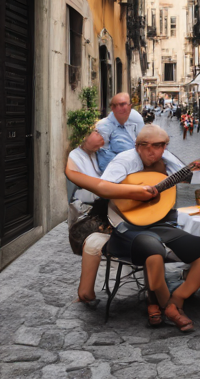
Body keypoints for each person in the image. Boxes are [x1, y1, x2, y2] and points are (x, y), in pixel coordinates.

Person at [101, 125, 200, 331]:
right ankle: (168, 309)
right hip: (127, 224)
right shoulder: (125, 161)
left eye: (158, 146)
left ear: (165, 147)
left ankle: (176, 299)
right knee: (154, 253)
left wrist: (190, 172)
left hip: (158, 222)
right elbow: (104, 187)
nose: (151, 151)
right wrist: (137, 192)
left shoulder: (169, 161)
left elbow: (179, 186)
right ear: (137, 146)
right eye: (145, 146)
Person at [65, 128, 157, 305]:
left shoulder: (101, 153)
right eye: (96, 133)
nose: (102, 137)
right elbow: (99, 189)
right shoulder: (80, 157)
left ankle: (86, 292)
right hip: (101, 211)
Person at [96, 92, 144, 172]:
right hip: (117, 170)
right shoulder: (103, 126)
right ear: (112, 108)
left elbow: (143, 141)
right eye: (115, 106)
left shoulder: (135, 118)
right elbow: (104, 156)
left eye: (122, 104)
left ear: (130, 106)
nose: (119, 109)